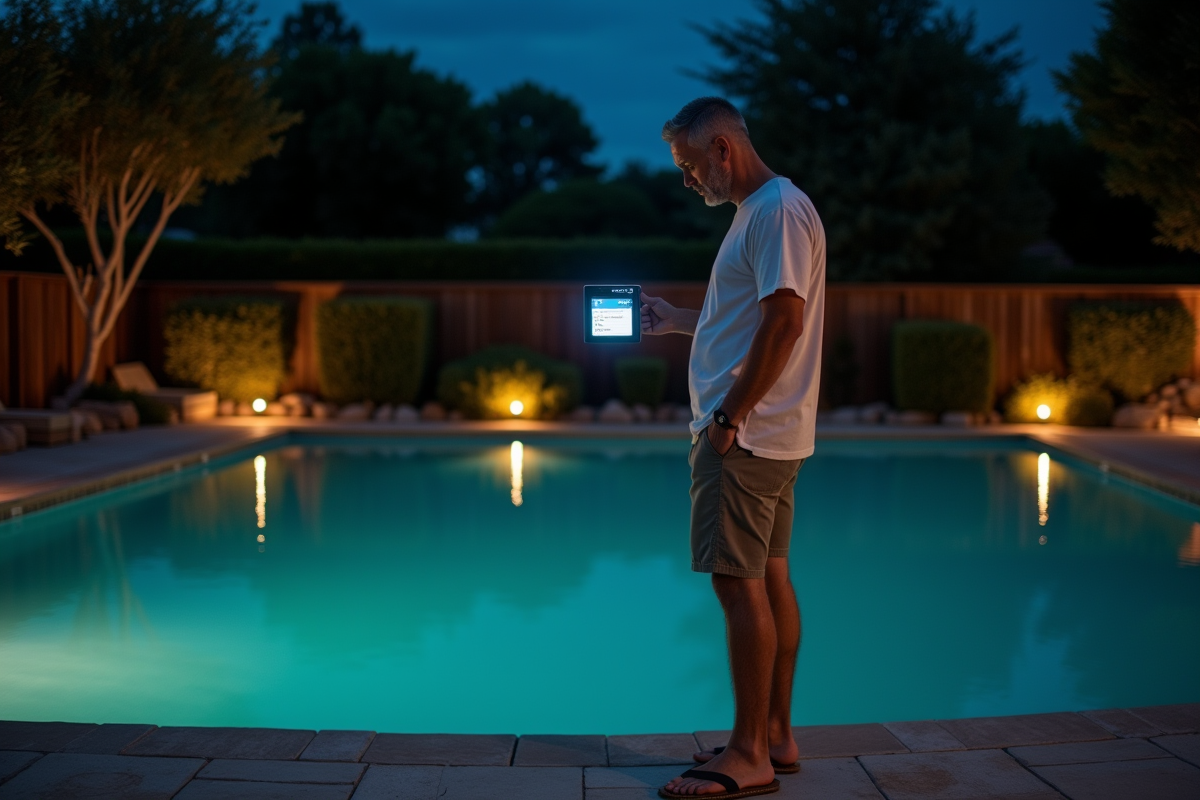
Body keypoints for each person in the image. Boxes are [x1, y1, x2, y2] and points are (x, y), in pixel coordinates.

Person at [641, 97, 826, 799]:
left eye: (691, 166)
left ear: (723, 148)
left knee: (736, 583)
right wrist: (676, 320)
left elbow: (783, 323)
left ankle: (748, 754)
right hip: (773, 436)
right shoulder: (769, 211)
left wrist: (727, 418)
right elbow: (747, 319)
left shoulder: (774, 211)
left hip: (746, 436)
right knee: (770, 577)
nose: (689, 181)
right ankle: (775, 735)